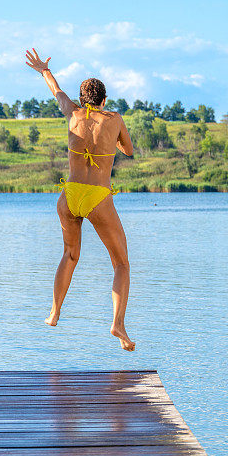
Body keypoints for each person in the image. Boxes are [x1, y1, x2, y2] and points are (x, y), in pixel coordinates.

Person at [25, 48, 136, 351]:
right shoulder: (114, 118)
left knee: (70, 255)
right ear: (104, 100)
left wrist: (43, 70)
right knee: (121, 264)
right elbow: (128, 150)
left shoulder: (72, 113)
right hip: (98, 197)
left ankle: (54, 312)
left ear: (83, 99)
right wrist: (112, 137)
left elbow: (57, 92)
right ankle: (118, 325)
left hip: (69, 194)